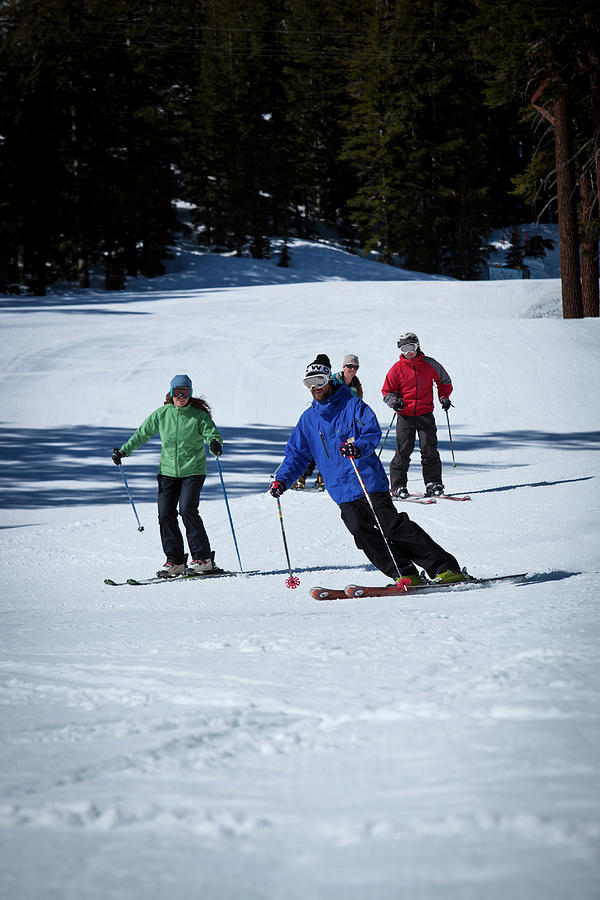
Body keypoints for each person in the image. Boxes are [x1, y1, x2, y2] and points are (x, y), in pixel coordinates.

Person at [269, 355, 464, 585]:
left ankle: (445, 567)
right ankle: (405, 574)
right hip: (341, 491)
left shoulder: (352, 405)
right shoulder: (308, 420)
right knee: (362, 534)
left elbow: (371, 432)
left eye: (319, 380)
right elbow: (297, 455)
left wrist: (357, 447)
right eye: (309, 383)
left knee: (393, 528)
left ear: (329, 379)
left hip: (366, 481)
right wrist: (282, 480)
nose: (315, 388)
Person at [111, 374, 223, 577]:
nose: (181, 396)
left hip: (193, 471)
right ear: (170, 393)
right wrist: (124, 451)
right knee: (165, 514)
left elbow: (211, 432)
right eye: (177, 392)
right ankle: (175, 561)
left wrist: (215, 443)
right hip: (167, 473)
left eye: (185, 392)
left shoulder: (198, 416)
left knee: (187, 509)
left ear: (190, 393)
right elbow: (142, 433)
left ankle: (203, 559)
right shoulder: (162, 414)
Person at [381, 332, 453, 499]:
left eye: (411, 347)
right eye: (404, 349)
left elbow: (444, 381)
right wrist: (394, 402)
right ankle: (398, 486)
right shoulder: (397, 369)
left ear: (417, 346)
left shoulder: (430, 364)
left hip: (425, 414)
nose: (409, 352)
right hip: (405, 415)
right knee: (403, 451)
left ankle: (433, 483)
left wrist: (444, 397)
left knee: (429, 449)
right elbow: (387, 391)